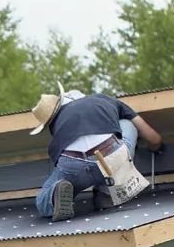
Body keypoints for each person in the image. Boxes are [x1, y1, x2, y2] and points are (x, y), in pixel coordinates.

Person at [31, 83, 163, 221]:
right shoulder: (103, 99)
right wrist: (158, 148)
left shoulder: (56, 123)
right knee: (128, 124)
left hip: (72, 164)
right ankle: (107, 193)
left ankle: (53, 197)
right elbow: (152, 137)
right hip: (110, 159)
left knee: (44, 195)